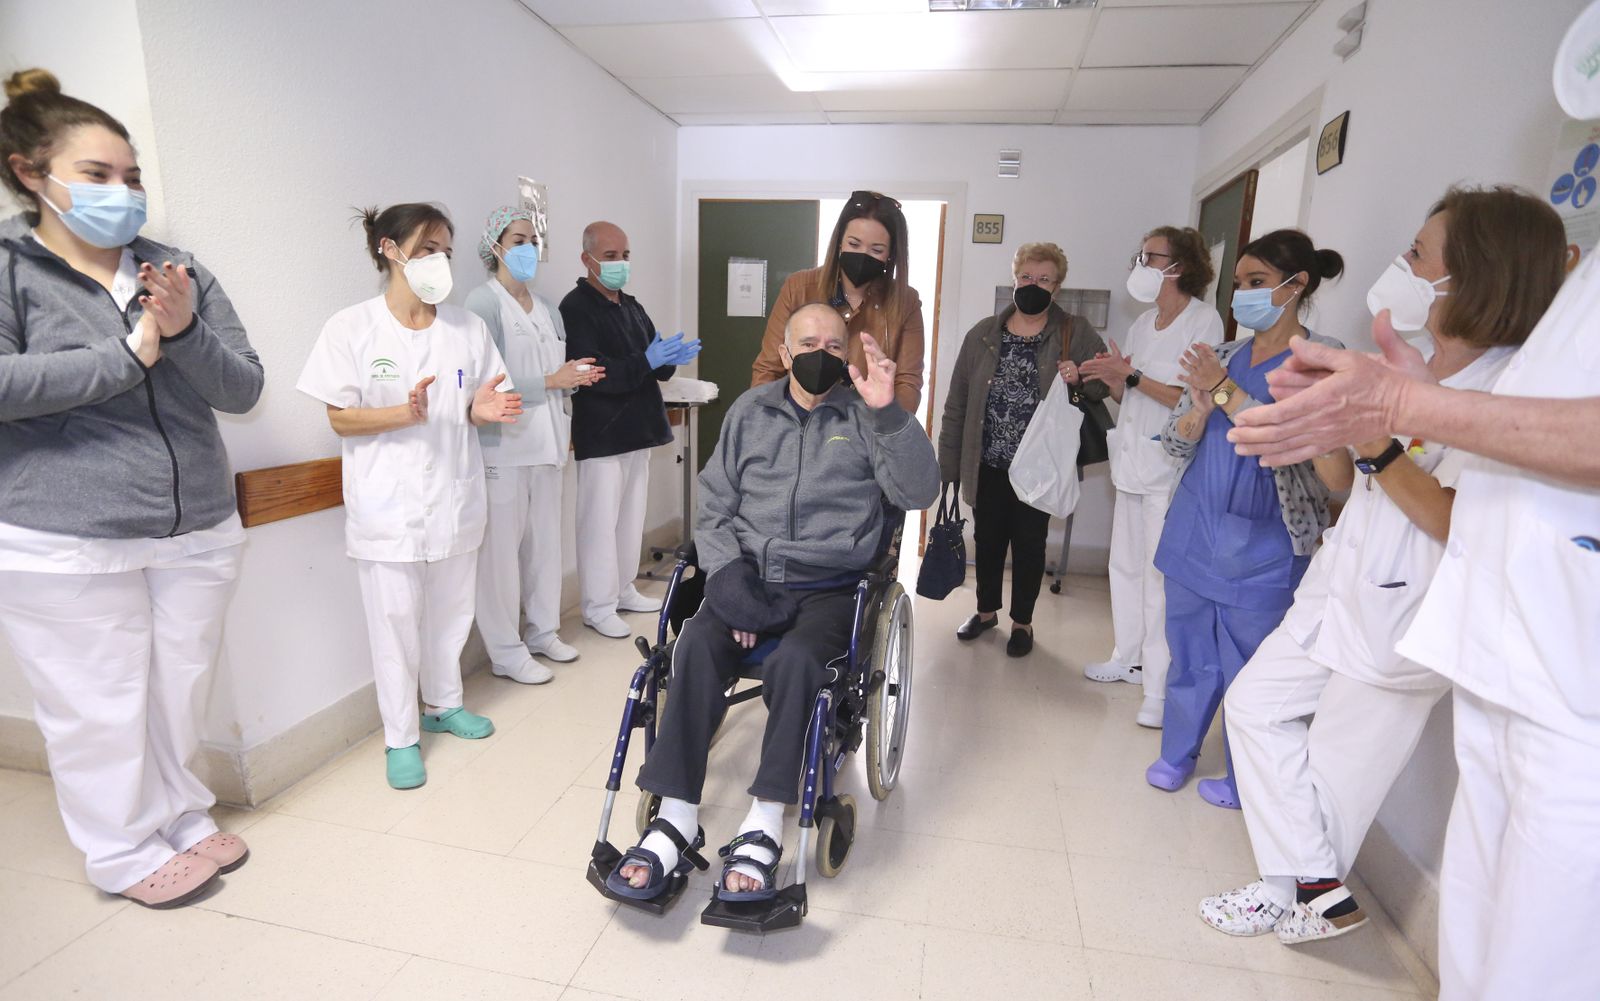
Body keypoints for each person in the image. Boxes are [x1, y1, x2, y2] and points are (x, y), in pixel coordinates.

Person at [1198, 187, 1564, 947]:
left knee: (1336, 773)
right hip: (1342, 583)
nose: (1403, 262)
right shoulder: (1415, 366)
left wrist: (1375, 441)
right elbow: (1344, 479)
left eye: (1419, 253)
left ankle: (1293, 897)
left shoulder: (1509, 393)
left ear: (1475, 274)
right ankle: (1315, 888)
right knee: (1255, 703)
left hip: (1408, 612)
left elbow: (1455, 518)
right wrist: (1327, 423)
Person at [0, 69, 262, 907]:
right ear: (30, 173)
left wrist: (182, 332)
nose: (123, 191)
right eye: (98, 174)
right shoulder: (10, 270)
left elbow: (243, 386)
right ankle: (119, 850)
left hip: (195, 524)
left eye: (132, 174)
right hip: (65, 534)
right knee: (99, 702)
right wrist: (121, 358)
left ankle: (179, 814)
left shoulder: (177, 270)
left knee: (179, 687)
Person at [607, 305, 938, 903]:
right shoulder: (749, 411)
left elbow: (920, 491)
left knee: (797, 663)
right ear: (785, 353)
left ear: (847, 355)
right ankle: (675, 816)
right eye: (807, 343)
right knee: (695, 645)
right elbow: (714, 504)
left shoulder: (867, 417)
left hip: (830, 584)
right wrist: (732, 587)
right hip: (750, 576)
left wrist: (891, 412)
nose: (820, 354)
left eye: (833, 346)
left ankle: (764, 821)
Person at [297, 202, 522, 791]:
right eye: (426, 249)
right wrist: (403, 413)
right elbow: (339, 418)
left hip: (455, 496)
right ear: (389, 250)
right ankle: (400, 738)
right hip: (387, 507)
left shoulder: (466, 329)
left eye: (445, 250)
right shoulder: (351, 327)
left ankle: (444, 705)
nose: (439, 260)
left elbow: (478, 402)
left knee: (451, 615)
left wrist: (483, 410)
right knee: (394, 626)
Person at [1145, 229, 1344, 810]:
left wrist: (1223, 392)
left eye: (1257, 283)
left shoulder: (1320, 362)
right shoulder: (1225, 356)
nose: (1242, 296)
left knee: (1251, 668)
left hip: (1265, 542)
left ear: (1296, 285)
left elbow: (1303, 449)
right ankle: (1177, 753)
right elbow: (1175, 444)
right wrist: (1195, 413)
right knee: (1188, 653)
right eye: (1239, 284)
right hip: (1195, 528)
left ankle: (1244, 777)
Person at [1080, 227, 1224, 725]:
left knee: (1159, 579)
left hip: (1169, 468)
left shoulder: (1203, 321)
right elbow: (1131, 395)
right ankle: (1127, 657)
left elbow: (1193, 397)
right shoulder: (1143, 323)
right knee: (1123, 566)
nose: (1139, 264)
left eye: (1150, 257)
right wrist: (1115, 379)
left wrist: (1133, 378)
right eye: (1139, 256)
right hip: (1132, 461)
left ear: (1179, 265)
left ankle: (1159, 690)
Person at [938, 242, 1109, 657]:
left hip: (1039, 466)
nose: (1033, 284)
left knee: (1030, 544)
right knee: (987, 539)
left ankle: (1022, 623)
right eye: (1026, 276)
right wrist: (948, 463)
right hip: (988, 460)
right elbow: (957, 402)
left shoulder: (1075, 331)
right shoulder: (982, 334)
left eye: (1044, 279)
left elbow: (1105, 384)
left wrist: (1079, 378)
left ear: (1057, 286)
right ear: (1014, 279)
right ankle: (985, 613)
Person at [465, 207, 604, 683]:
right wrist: (551, 380)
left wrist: (574, 379)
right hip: (503, 449)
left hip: (548, 445)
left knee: (545, 548)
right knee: (500, 559)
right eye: (519, 240)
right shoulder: (482, 304)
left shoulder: (546, 309)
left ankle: (543, 632)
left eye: (533, 240)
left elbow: (557, 376)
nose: (529, 248)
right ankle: (506, 651)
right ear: (495, 246)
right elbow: (484, 384)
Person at [559, 221, 699, 640]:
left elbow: (655, 365)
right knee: (599, 523)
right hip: (603, 433)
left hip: (639, 429)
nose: (620, 263)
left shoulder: (631, 306)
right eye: (610, 256)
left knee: (629, 519)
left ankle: (622, 589)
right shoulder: (576, 308)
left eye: (625, 255)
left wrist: (669, 356)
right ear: (586, 260)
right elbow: (594, 373)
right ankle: (597, 606)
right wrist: (647, 360)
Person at [751, 191, 925, 411]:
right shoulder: (798, 288)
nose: (863, 254)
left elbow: (908, 383)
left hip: (868, 425)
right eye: (854, 244)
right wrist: (764, 421)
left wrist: (887, 424)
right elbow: (768, 369)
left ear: (890, 254)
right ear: (839, 242)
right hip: (799, 419)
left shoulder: (906, 302)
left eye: (876, 250)